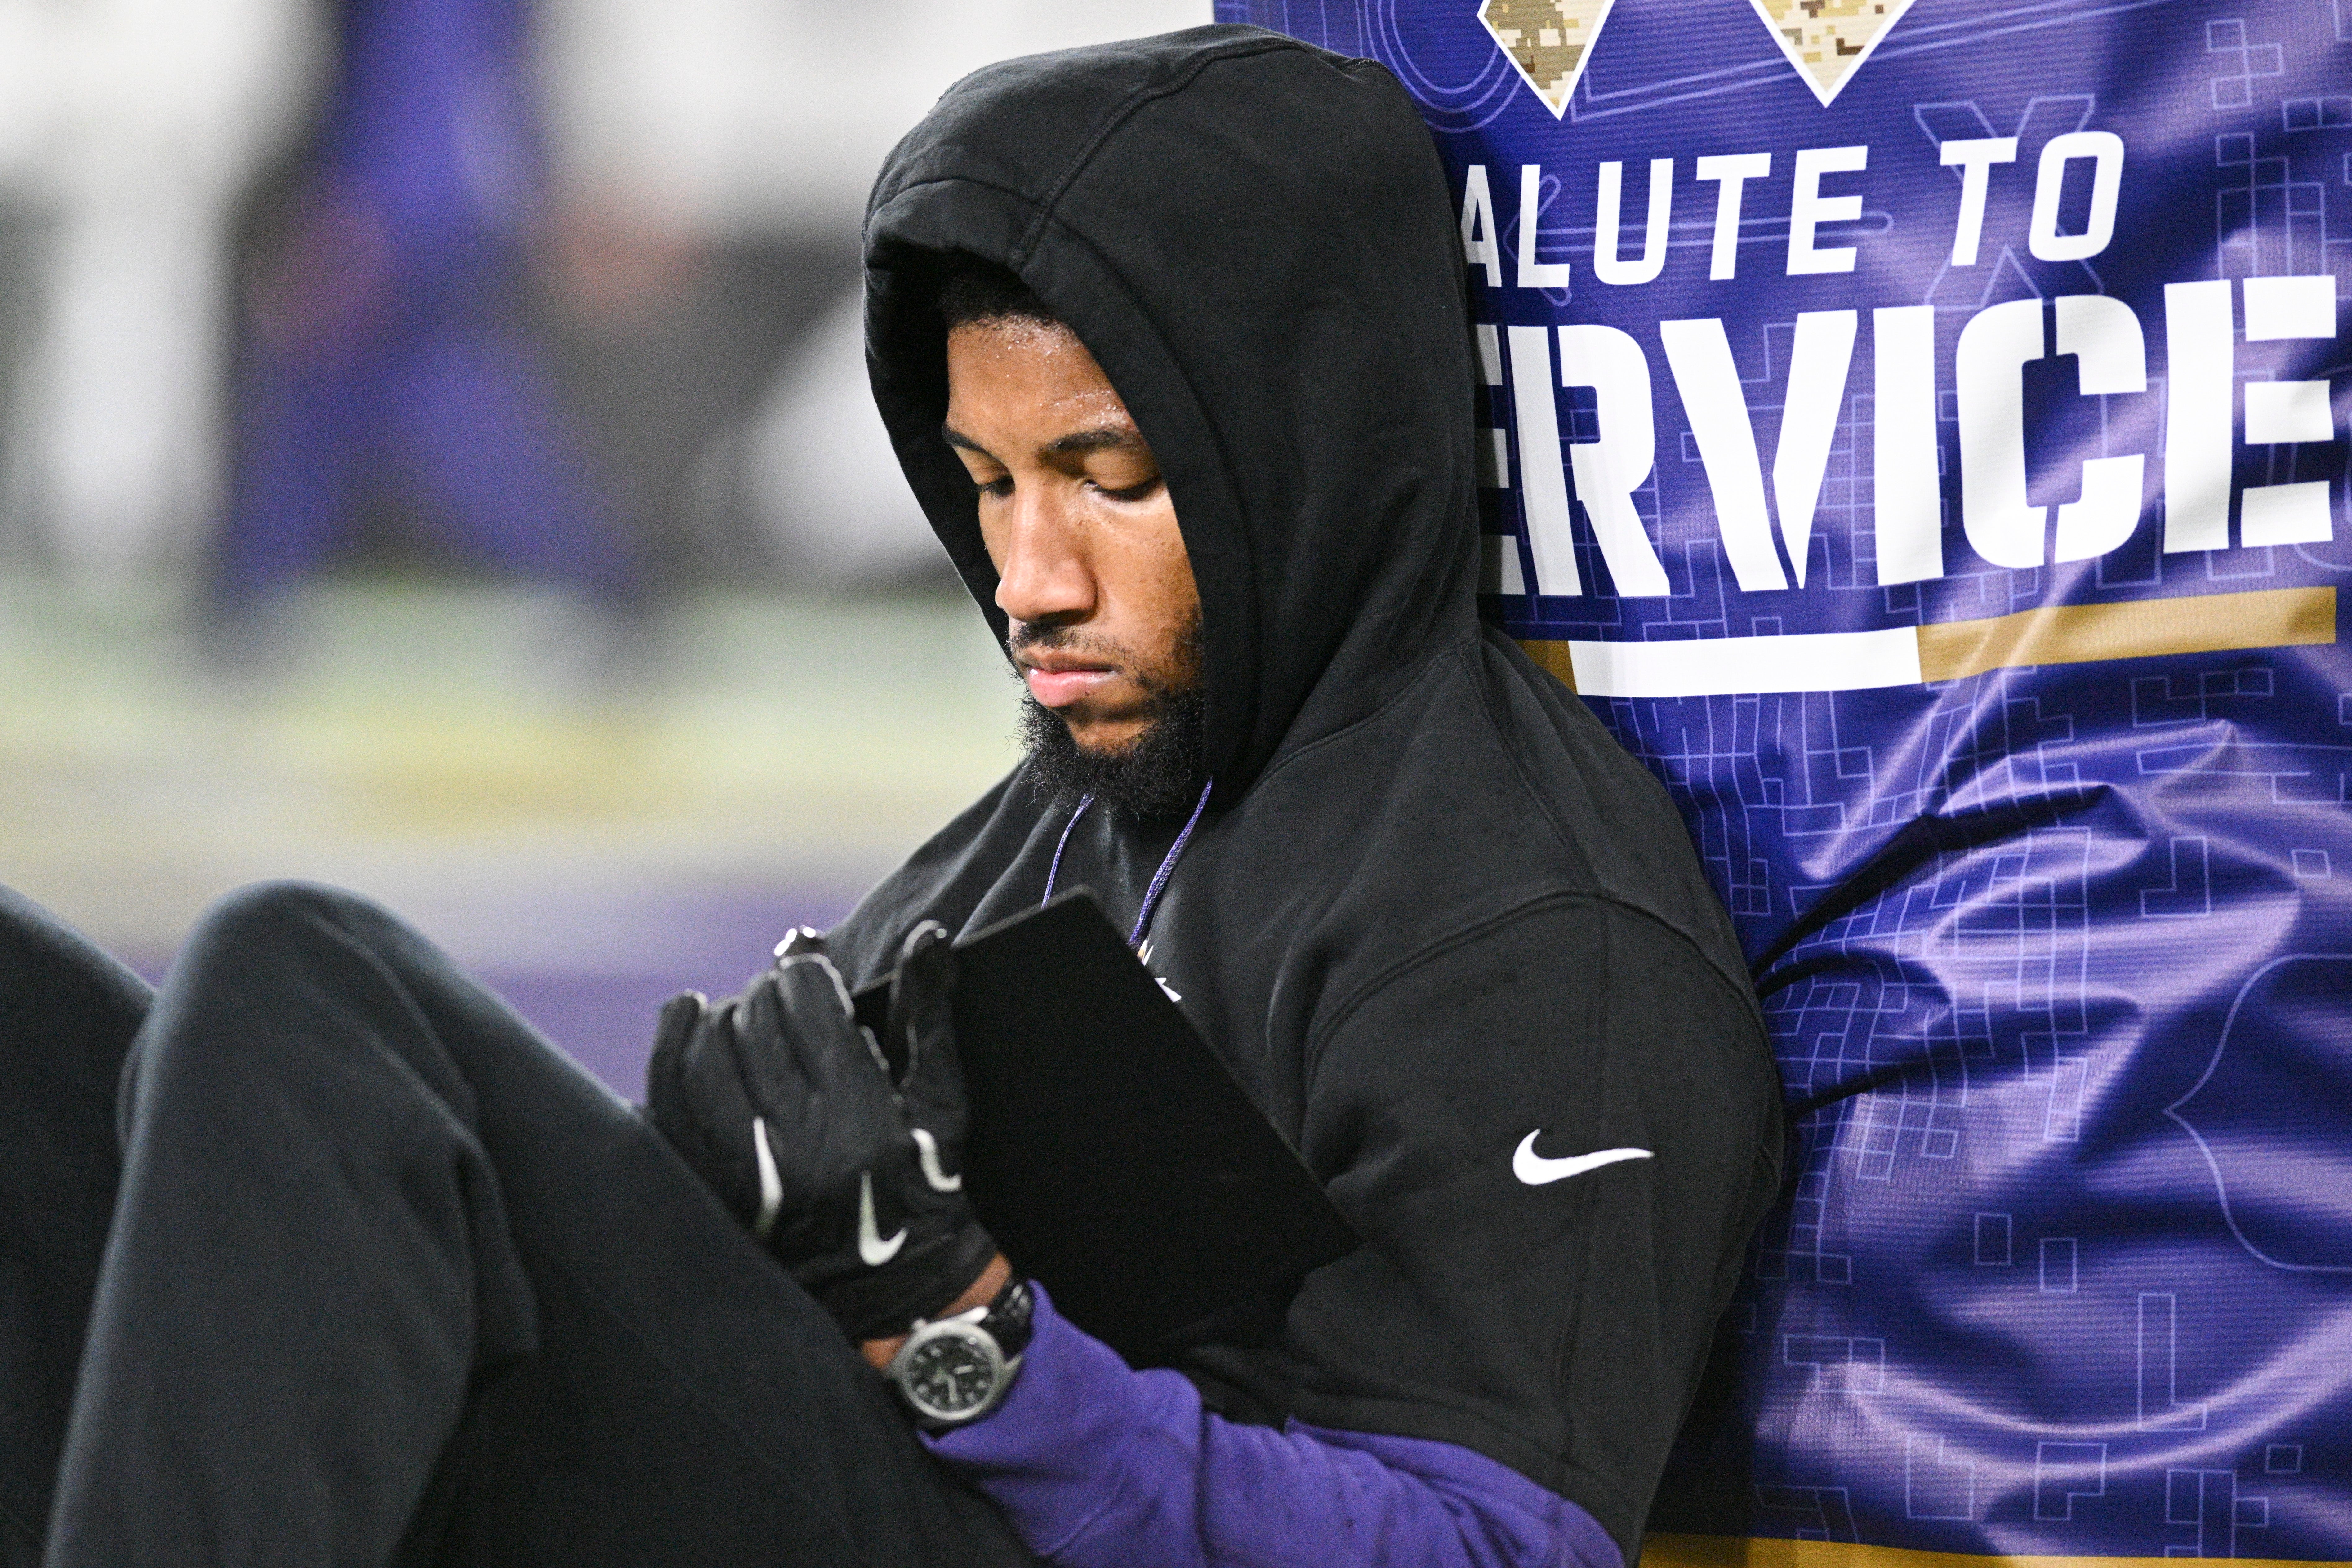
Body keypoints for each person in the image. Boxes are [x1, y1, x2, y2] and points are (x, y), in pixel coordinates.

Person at [0, 25, 1781, 1568]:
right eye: (988, 481)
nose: (1030, 574)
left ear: (1307, 447)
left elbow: (1497, 1544)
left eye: (1109, 478)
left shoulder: (1538, 932)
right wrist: (721, 1200)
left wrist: (966, 1333)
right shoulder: (1054, 820)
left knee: (307, 991)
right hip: (847, 1487)